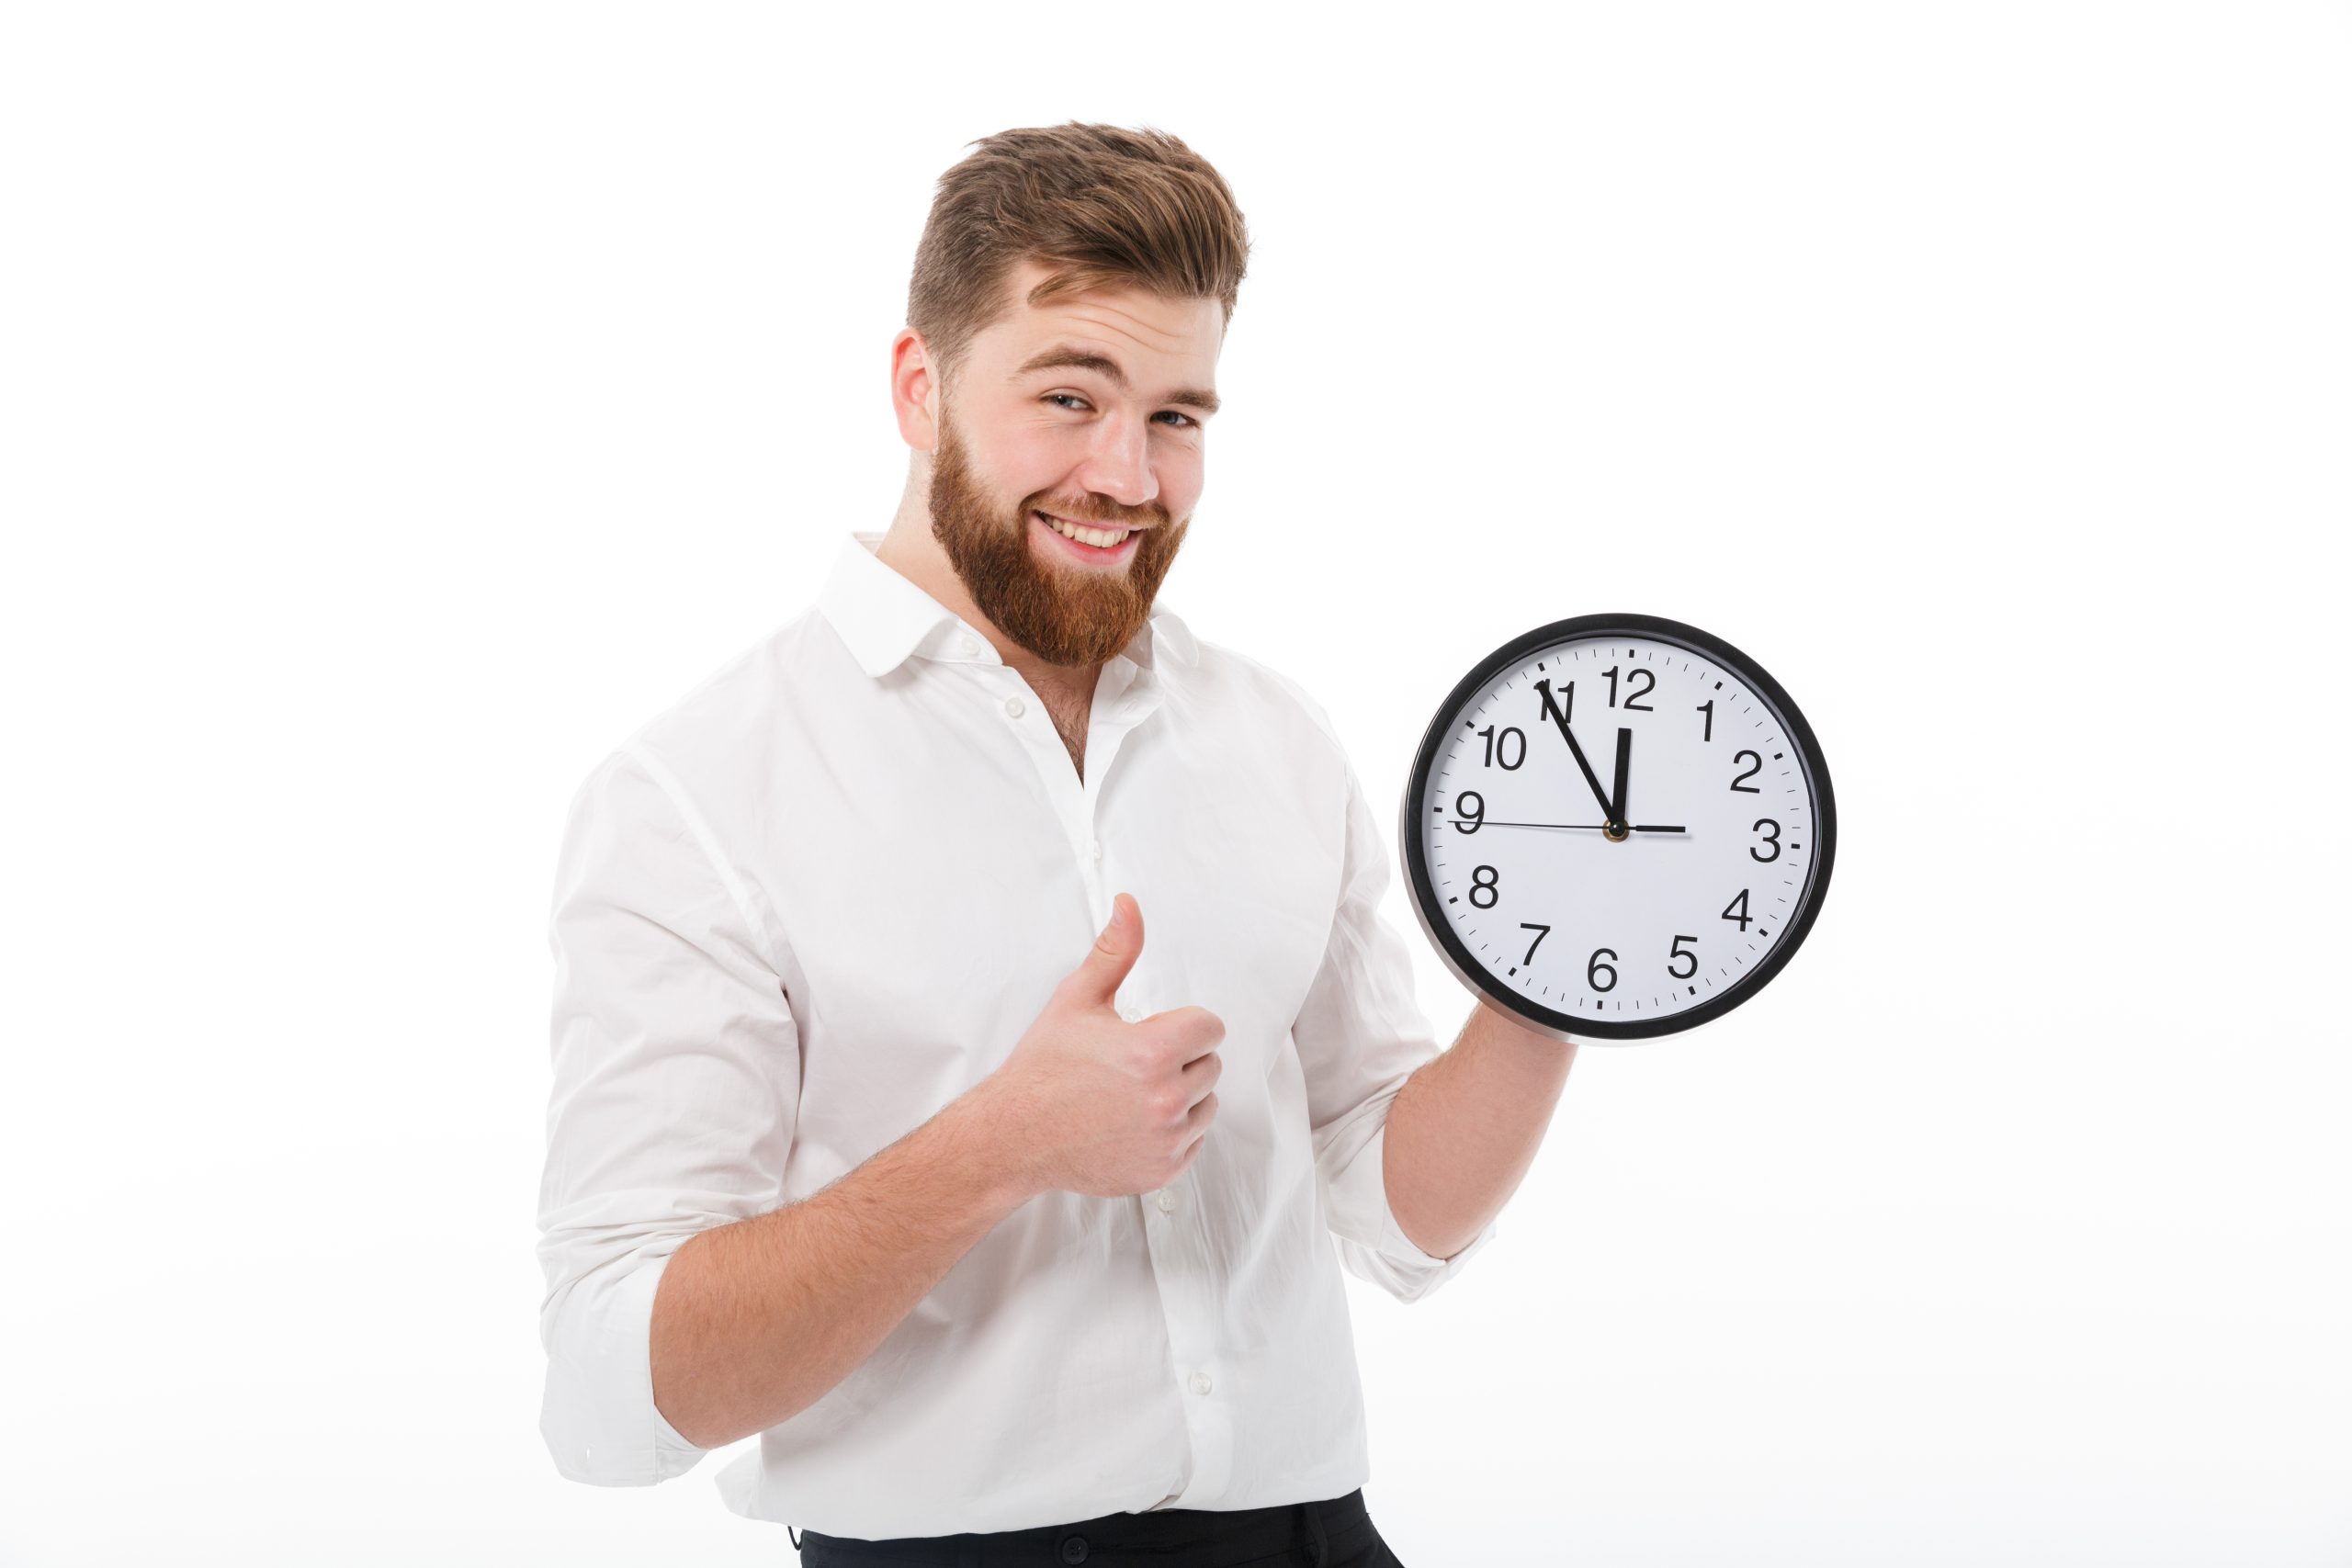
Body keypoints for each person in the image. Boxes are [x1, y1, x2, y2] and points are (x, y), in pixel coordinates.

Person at [535, 121, 1578, 1566]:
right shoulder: (698, 794)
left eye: (1177, 416)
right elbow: (615, 1393)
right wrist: (999, 1147)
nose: (1129, 475)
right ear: (920, 388)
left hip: (1316, 1542)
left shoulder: (1274, 736)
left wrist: (1550, 986)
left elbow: (1392, 1215)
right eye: (1070, 397)